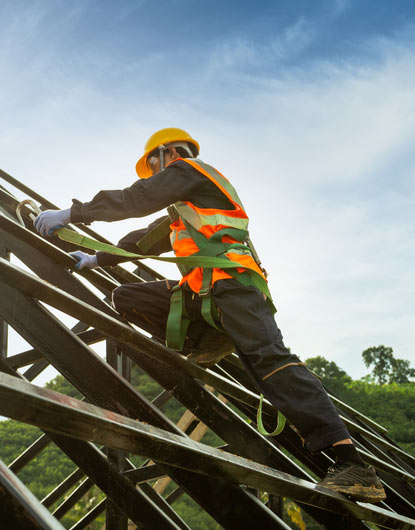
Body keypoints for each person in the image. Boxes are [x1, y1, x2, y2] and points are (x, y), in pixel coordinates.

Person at [34, 128, 386, 503]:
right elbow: (143, 240)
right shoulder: (185, 209)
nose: (153, 175)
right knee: (128, 297)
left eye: (152, 165)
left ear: (168, 153)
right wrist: (95, 258)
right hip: (207, 295)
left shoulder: (191, 170)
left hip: (236, 287)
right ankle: (210, 338)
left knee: (271, 363)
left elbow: (136, 198)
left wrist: (74, 213)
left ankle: (353, 464)